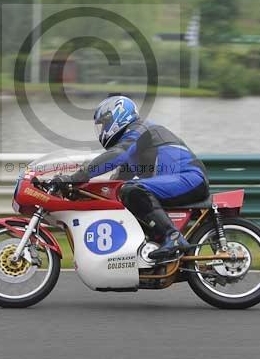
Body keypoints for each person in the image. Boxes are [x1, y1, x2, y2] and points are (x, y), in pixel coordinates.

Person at [53, 95, 209, 262]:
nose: (103, 129)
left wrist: (77, 177)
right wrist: (79, 191)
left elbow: (117, 155)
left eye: (105, 123)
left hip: (190, 178)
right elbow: (115, 183)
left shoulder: (140, 129)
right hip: (180, 181)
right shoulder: (134, 146)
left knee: (132, 189)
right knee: (125, 192)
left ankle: (173, 237)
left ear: (118, 116)